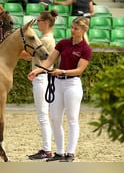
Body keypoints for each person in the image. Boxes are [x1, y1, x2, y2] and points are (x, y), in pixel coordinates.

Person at [27, 16, 92, 162]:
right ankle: (60, 152)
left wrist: (62, 72)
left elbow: (79, 70)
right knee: (55, 118)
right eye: (72, 27)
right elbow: (50, 60)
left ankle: (70, 153)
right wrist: (37, 70)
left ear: (83, 30)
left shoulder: (85, 49)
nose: (72, 30)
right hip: (58, 83)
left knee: (72, 119)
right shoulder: (63, 43)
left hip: (72, 84)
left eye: (76, 28)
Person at [21, 10, 58, 160]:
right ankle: (46, 148)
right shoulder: (45, 38)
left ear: (46, 23)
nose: (37, 24)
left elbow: (31, 57)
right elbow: (29, 56)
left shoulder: (46, 40)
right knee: (43, 115)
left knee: (43, 115)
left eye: (39, 21)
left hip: (42, 76)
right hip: (42, 76)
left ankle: (47, 149)